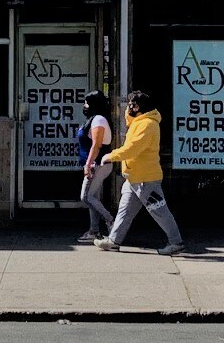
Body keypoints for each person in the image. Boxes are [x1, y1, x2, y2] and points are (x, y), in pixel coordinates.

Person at [96, 89, 184, 256]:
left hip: (146, 180)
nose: (127, 109)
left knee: (159, 211)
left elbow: (133, 149)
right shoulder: (139, 123)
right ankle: (114, 240)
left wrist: (112, 156)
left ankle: (176, 242)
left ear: (137, 107)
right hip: (135, 178)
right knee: (124, 210)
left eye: (130, 105)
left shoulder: (147, 125)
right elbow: (130, 129)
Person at [78, 89, 116, 244]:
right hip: (96, 163)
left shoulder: (98, 120)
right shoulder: (95, 119)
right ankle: (94, 230)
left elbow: (96, 145)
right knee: (93, 197)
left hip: (97, 164)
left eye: (87, 102)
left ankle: (111, 221)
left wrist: (88, 164)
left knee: (86, 196)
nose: (84, 105)